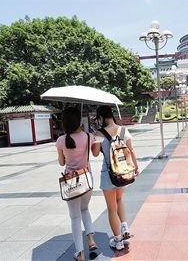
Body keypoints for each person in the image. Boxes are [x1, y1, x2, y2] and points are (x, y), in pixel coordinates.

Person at [92, 105, 139, 251]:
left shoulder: (99, 133)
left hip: (108, 175)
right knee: (119, 200)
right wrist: (136, 168)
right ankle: (124, 227)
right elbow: (131, 150)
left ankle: (118, 240)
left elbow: (94, 153)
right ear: (111, 115)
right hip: (123, 172)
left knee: (111, 208)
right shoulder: (124, 130)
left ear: (100, 117)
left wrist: (95, 138)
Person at [56, 107, 97, 261]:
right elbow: (94, 151)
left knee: (74, 217)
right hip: (87, 178)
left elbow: (61, 163)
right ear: (79, 121)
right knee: (85, 209)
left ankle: (79, 252)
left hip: (70, 181)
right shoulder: (88, 136)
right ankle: (91, 239)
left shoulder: (61, 140)